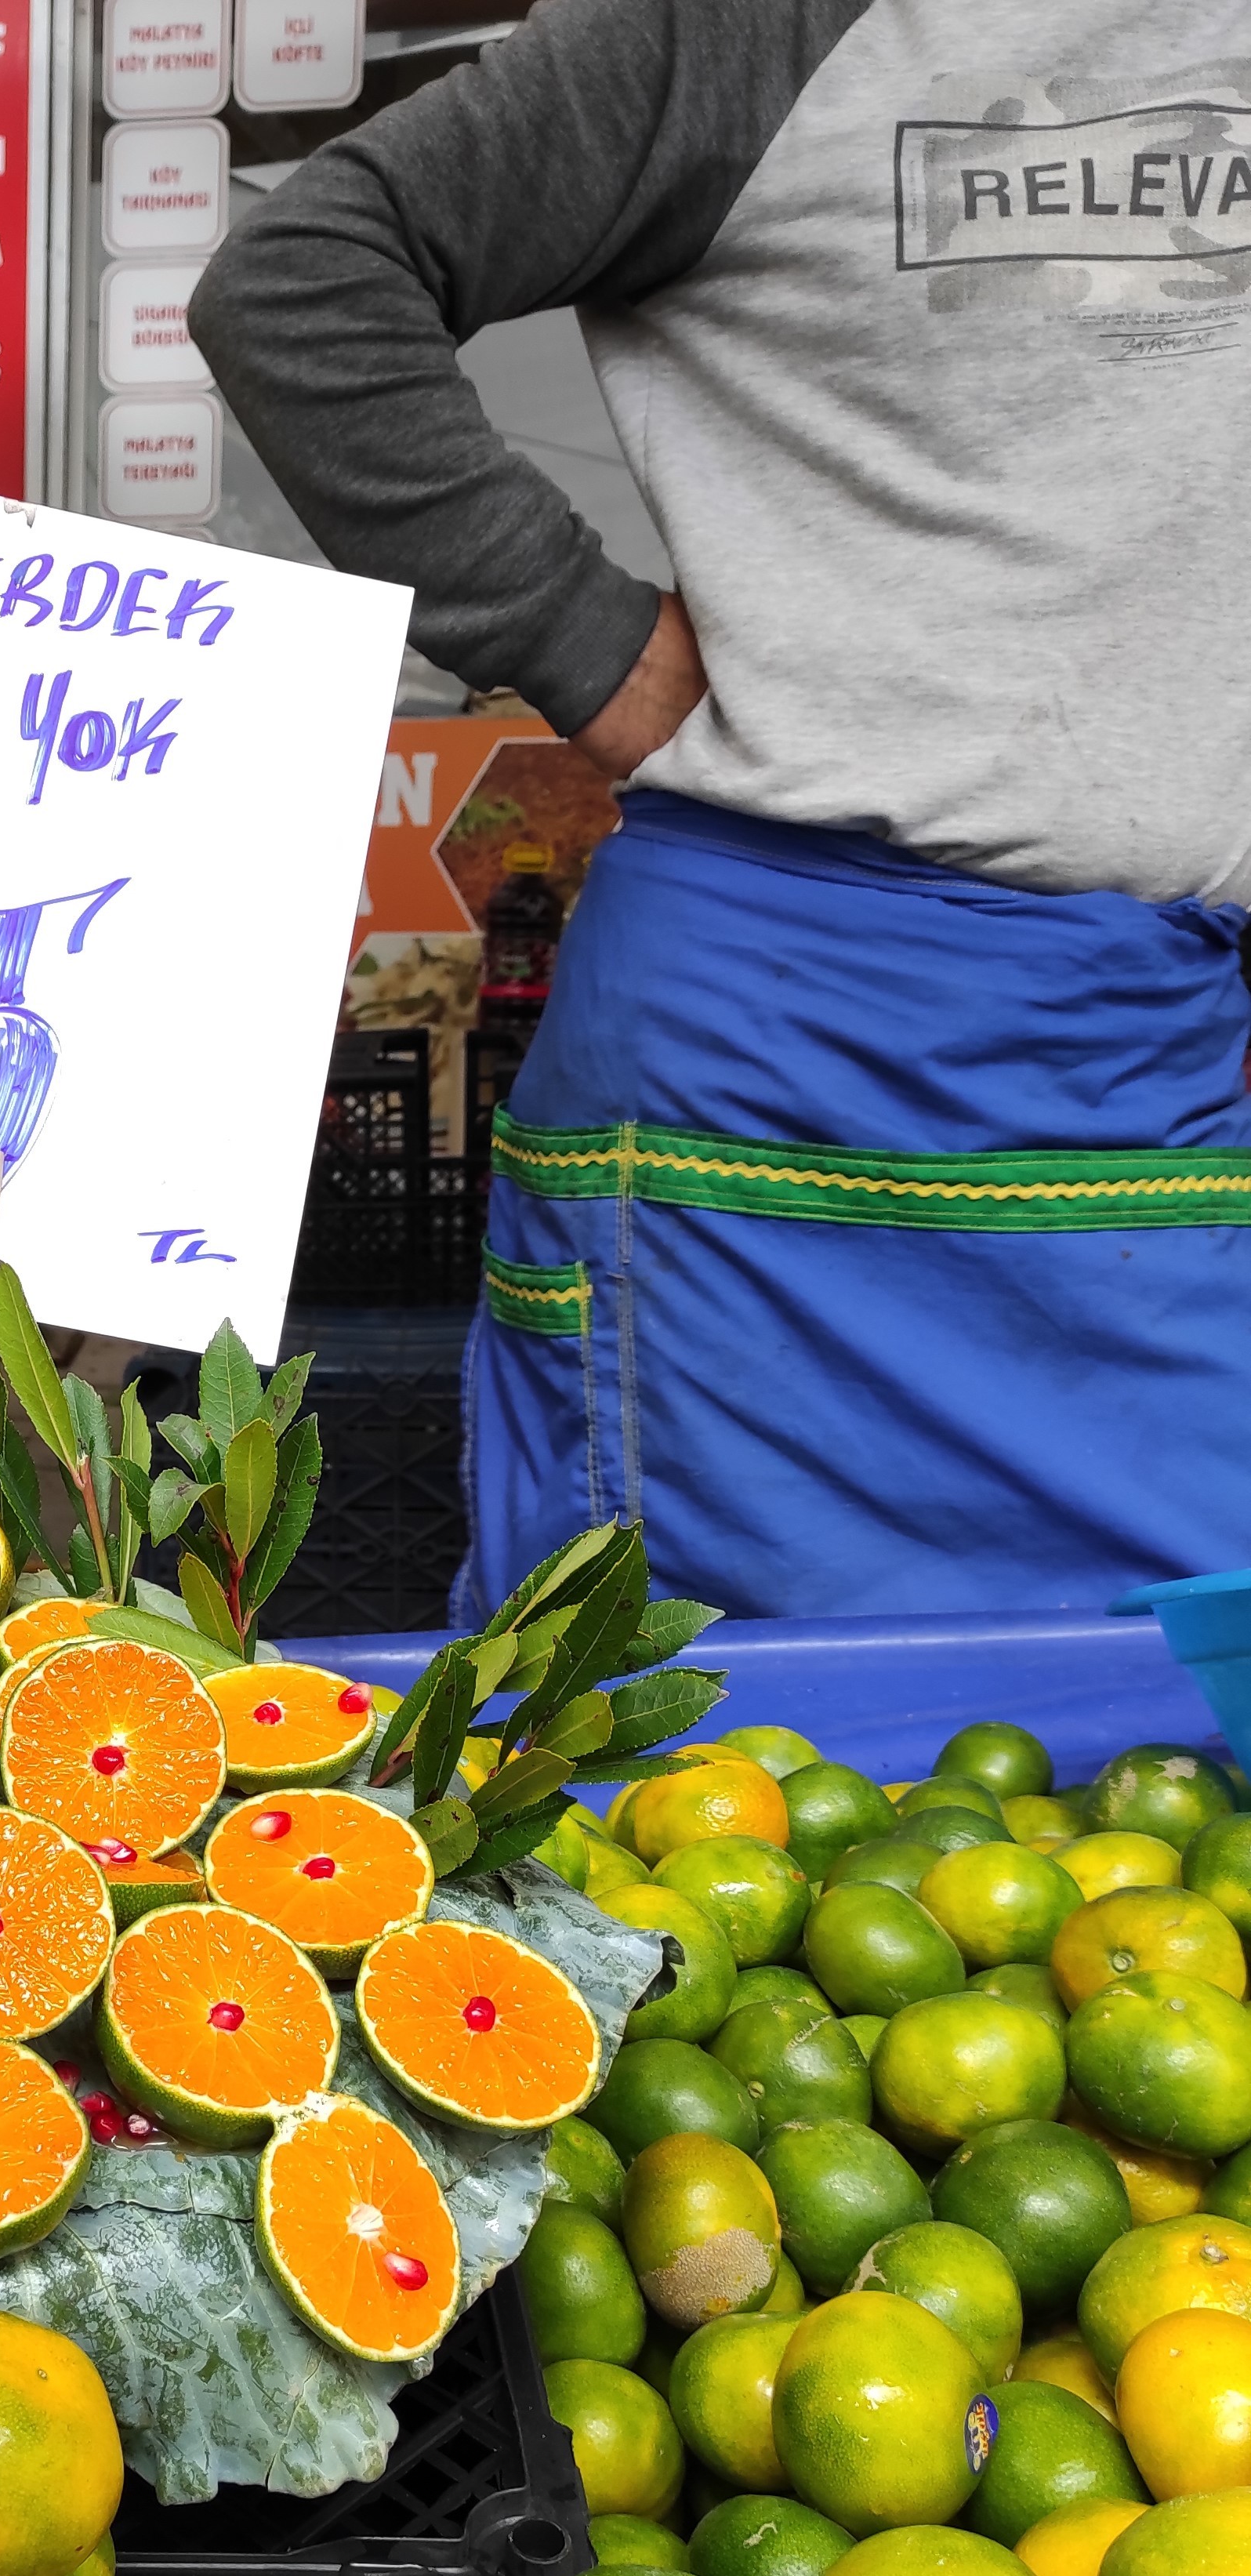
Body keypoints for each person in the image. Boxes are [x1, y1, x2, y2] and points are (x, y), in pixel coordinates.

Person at [188, 0, 1251, 1623]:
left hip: (1154, 1060)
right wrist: (578, 638)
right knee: (698, 1751)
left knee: (1166, 1748)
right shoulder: (751, 28)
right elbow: (301, 280)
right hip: (776, 1081)